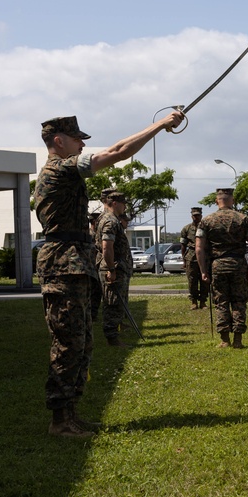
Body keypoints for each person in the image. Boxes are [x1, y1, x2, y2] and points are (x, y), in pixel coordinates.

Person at [35, 111, 184, 437]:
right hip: (63, 265)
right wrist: (160, 124)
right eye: (77, 139)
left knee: (83, 343)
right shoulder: (58, 169)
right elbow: (117, 152)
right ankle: (60, 421)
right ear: (59, 141)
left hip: (73, 264)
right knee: (68, 344)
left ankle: (71, 414)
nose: (82, 145)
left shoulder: (64, 172)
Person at [196, 188, 248, 349]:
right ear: (233, 200)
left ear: (217, 201)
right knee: (239, 302)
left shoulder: (206, 221)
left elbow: (199, 248)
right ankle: (238, 340)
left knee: (221, 302)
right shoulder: (245, 219)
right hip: (238, 265)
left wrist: (203, 271)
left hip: (218, 266)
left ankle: (224, 340)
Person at [96, 191, 134, 347]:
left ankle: (114, 333)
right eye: (123, 203)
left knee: (116, 302)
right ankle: (112, 338)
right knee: (112, 302)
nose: (125, 206)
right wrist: (111, 269)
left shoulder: (112, 220)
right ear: (114, 203)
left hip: (117, 267)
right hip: (113, 268)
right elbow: (106, 247)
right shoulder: (110, 221)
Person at [179, 207, 209, 310]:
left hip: (204, 256)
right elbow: (183, 246)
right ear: (191, 216)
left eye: (198, 215)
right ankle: (194, 301)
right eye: (194, 215)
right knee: (192, 280)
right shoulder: (186, 229)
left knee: (204, 280)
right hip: (191, 256)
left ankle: (203, 302)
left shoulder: (206, 227)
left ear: (201, 215)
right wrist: (184, 260)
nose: (196, 217)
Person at [87, 211, 103, 322]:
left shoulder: (98, 235)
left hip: (96, 267)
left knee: (97, 292)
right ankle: (89, 314)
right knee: (90, 292)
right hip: (89, 267)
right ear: (94, 221)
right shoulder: (89, 234)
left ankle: (93, 314)